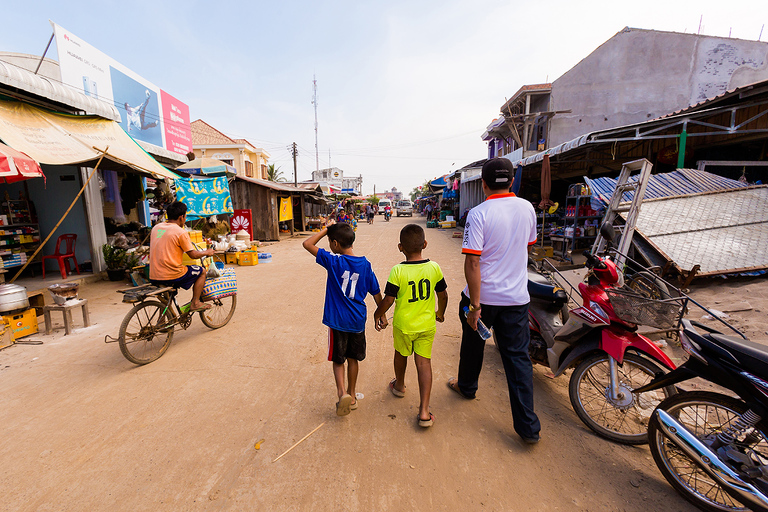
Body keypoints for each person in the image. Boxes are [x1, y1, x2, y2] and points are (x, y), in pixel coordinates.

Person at [447, 157, 542, 445]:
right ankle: (528, 428)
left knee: (473, 344)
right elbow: (526, 246)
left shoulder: (478, 213)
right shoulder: (527, 209)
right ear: (512, 181)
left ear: (484, 184)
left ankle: (467, 386)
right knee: (518, 359)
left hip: (483, 298)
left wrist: (475, 306)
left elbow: (473, 263)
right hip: (516, 298)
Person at [303, 220, 383, 416]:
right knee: (352, 358)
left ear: (335, 244)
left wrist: (326, 229)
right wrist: (381, 315)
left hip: (337, 322)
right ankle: (353, 395)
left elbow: (307, 244)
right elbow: (376, 291)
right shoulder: (365, 265)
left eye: (330, 241)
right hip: (357, 321)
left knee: (338, 360)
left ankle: (341, 393)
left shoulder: (334, 261)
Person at [374, 224, 447, 428]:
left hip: (403, 325)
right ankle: (424, 411)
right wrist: (440, 313)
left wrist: (377, 314)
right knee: (424, 364)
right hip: (426, 325)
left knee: (400, 354)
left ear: (400, 247)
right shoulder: (434, 268)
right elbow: (443, 295)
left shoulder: (398, 270)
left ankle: (399, 385)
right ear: (425, 244)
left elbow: (389, 300)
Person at [149, 201, 214, 312]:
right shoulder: (180, 232)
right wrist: (206, 252)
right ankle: (195, 303)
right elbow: (193, 255)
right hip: (171, 274)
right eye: (185, 216)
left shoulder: (156, 228)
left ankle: (165, 322)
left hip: (153, 274)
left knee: (167, 295)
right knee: (202, 271)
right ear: (181, 217)